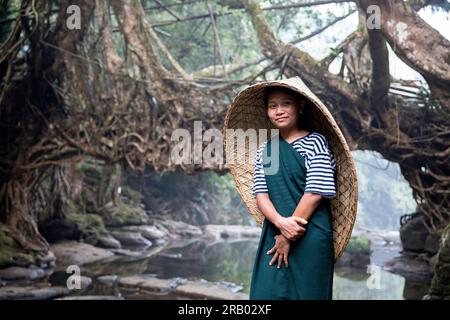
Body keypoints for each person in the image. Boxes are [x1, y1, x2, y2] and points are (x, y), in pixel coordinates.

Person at [249, 85, 337, 300]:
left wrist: (288, 235)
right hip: (275, 232)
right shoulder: (267, 150)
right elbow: (262, 195)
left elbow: (315, 192)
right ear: (267, 112)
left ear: (300, 106)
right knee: (265, 294)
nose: (279, 110)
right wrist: (280, 224)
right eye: (273, 106)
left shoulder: (315, 142)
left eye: (286, 104)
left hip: (311, 234)